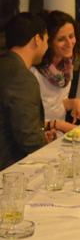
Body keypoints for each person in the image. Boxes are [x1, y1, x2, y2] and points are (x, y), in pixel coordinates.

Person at [0, 13, 51, 169]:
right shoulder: (21, 77)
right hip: (10, 168)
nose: (47, 47)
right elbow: (29, 139)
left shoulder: (4, 64)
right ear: (37, 39)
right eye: (47, 40)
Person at [31, 10, 80, 134]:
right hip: (39, 137)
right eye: (61, 39)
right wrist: (58, 125)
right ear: (49, 42)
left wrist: (74, 103)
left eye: (71, 36)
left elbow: (55, 102)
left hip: (59, 136)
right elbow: (28, 122)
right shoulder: (34, 72)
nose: (69, 43)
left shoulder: (67, 66)